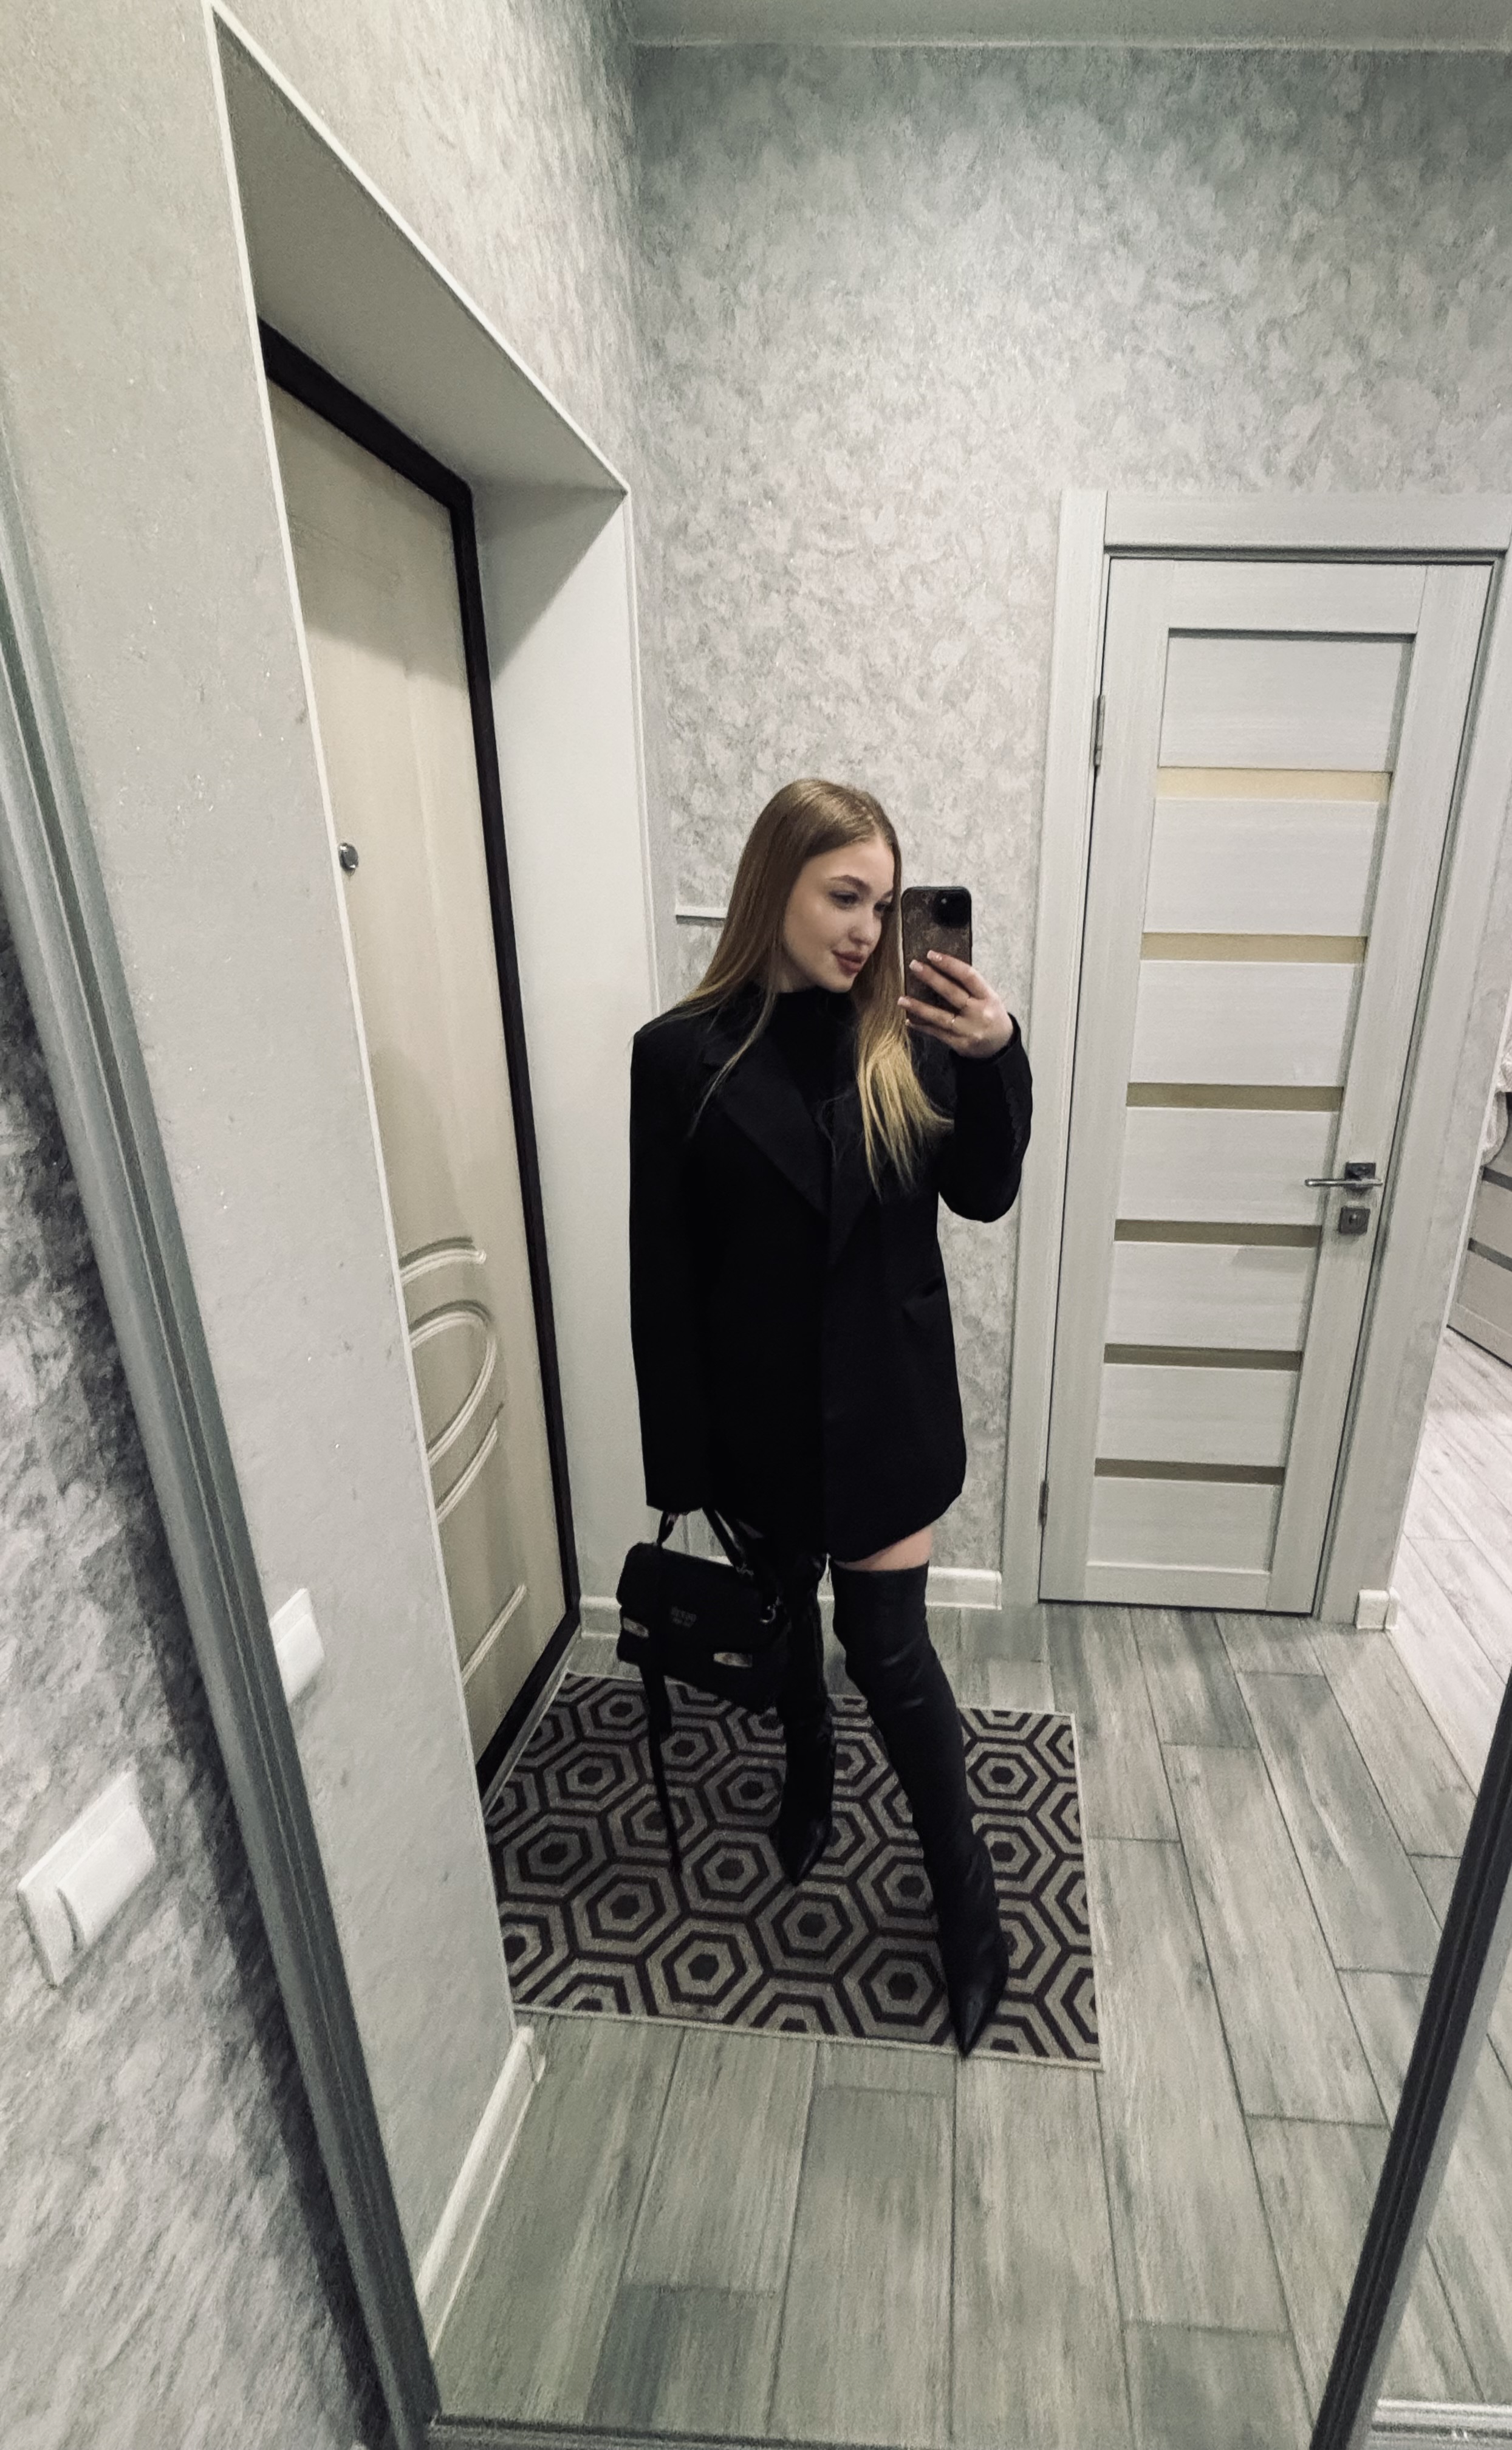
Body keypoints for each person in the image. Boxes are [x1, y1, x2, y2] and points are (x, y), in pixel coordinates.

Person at [628, 777, 1033, 2056]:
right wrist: (679, 1463)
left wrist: (997, 1052)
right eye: (843, 897)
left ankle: (966, 1901)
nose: (868, 929)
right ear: (775, 887)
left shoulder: (911, 1038)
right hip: (754, 1421)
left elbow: (984, 1194)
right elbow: (662, 1274)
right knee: (785, 1617)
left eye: (883, 902)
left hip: (887, 1412)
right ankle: (808, 1761)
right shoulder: (677, 1056)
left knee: (889, 1650)